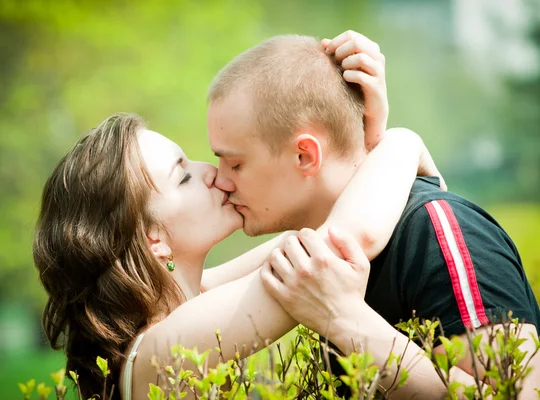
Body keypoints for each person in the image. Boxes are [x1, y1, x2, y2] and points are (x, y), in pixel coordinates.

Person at [33, 32, 440, 399]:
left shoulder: (186, 301)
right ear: (153, 239)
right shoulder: (158, 350)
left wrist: (358, 131)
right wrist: (401, 142)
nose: (212, 172)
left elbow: (306, 235)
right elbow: (338, 246)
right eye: (183, 176)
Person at [206, 31, 540, 397]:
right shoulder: (319, 252)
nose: (220, 181)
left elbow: (518, 394)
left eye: (235, 164)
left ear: (305, 156)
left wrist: (345, 319)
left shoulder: (434, 230)